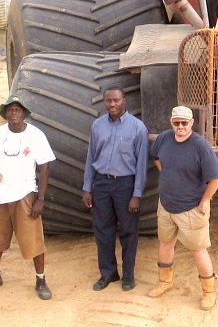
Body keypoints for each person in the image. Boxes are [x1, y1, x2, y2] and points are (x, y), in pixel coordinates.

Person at [0, 94, 56, 300]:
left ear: (24, 113)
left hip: (25, 195)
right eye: (10, 110)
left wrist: (40, 199)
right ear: (5, 113)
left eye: (17, 110)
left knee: (33, 239)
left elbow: (44, 169)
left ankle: (41, 280)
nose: (13, 113)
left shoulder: (36, 135)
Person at [148, 105, 218, 310]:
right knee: (165, 244)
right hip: (166, 205)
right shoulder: (164, 138)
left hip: (191, 208)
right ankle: (165, 282)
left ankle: (209, 291)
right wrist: (166, 173)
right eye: (176, 122)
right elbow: (155, 156)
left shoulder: (201, 146)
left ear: (192, 123)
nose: (180, 126)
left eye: (184, 123)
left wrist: (205, 201)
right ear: (171, 122)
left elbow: (216, 177)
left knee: (198, 250)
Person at [83, 86, 149, 292]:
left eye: (116, 100)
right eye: (108, 101)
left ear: (124, 101)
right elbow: (91, 157)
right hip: (101, 184)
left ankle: (128, 276)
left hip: (126, 185)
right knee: (103, 230)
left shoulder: (138, 128)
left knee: (129, 232)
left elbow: (141, 165)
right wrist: (87, 187)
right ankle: (108, 273)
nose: (112, 104)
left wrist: (137, 194)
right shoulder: (97, 126)